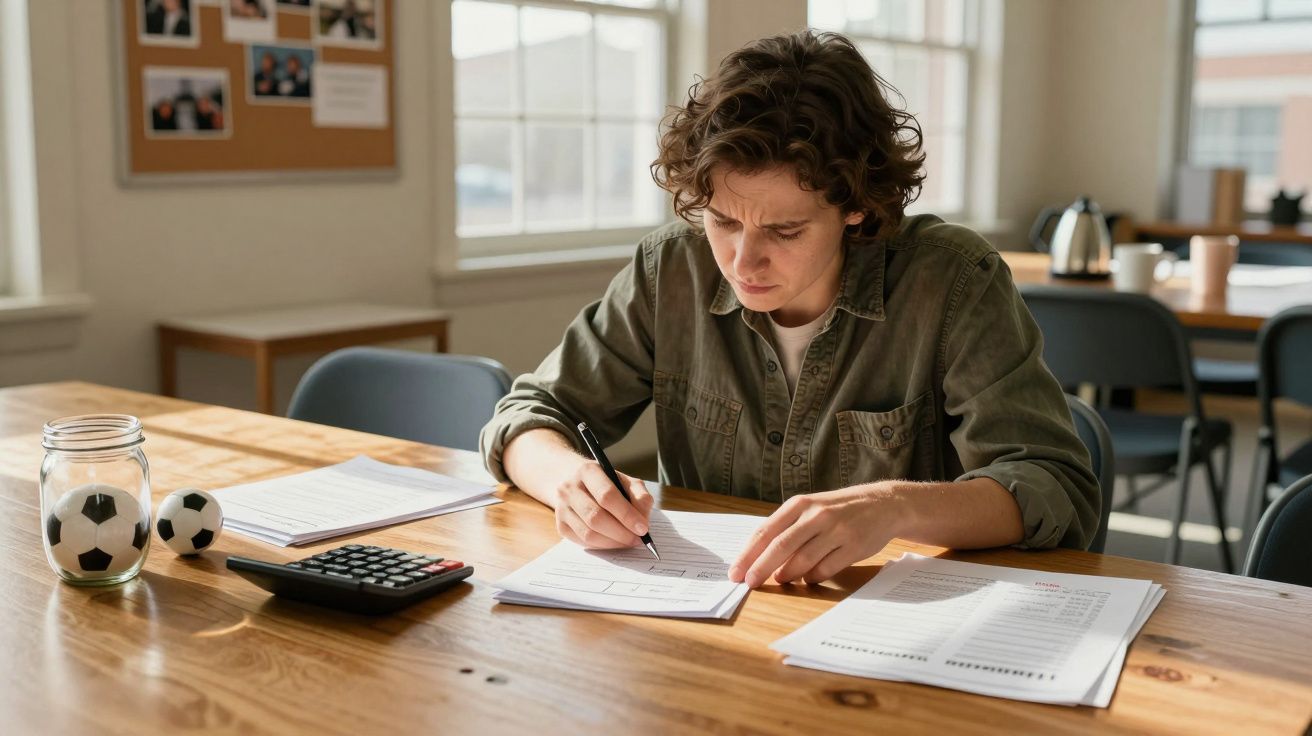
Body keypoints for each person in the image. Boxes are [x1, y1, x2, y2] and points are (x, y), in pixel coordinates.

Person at [479, 31, 1099, 589]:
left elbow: (1053, 483)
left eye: (785, 231)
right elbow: (529, 415)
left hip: (887, 627)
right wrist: (565, 476)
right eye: (722, 220)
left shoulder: (952, 281)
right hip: (708, 622)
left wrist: (894, 506)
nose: (743, 262)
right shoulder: (670, 269)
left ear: (855, 207)